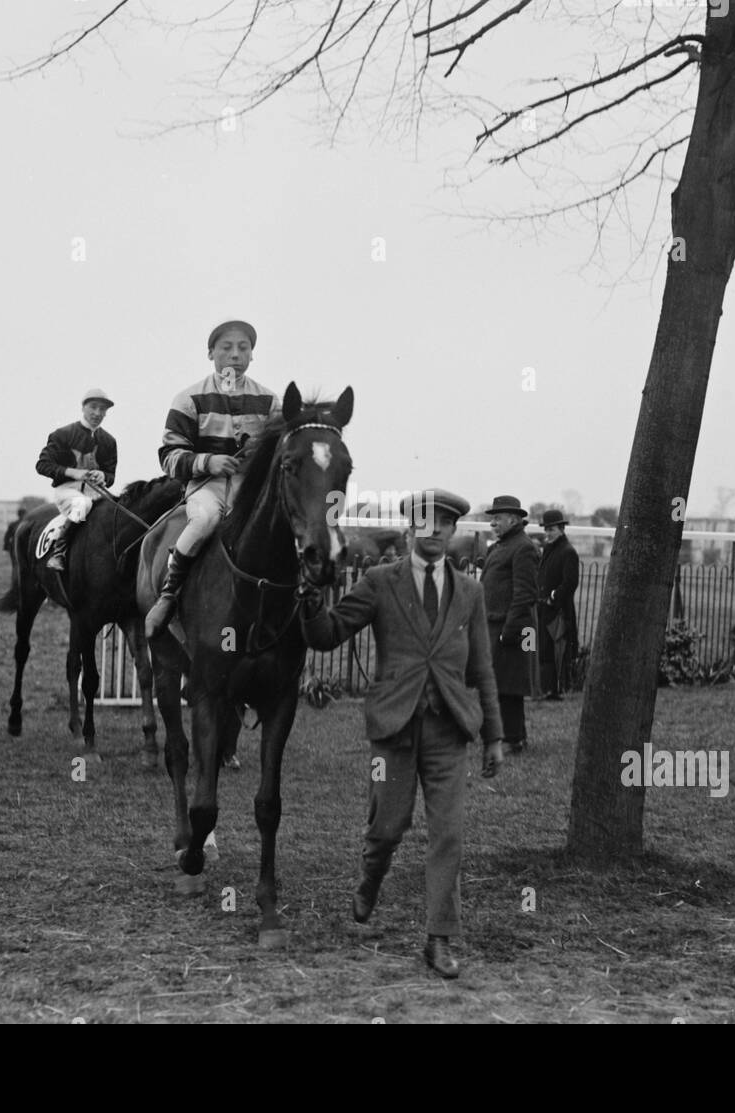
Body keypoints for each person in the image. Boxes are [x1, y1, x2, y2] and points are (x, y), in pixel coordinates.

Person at [298, 489, 504, 979]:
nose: (433, 532)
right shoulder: (379, 582)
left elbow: (483, 668)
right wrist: (308, 599)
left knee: (447, 834)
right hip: (392, 731)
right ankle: (371, 880)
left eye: (444, 524)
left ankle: (439, 939)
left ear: (454, 533)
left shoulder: (471, 594)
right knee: (387, 828)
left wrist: (494, 735)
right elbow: (327, 634)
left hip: (448, 729)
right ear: (410, 528)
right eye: (424, 522)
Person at [145, 321, 280, 638]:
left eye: (243, 348)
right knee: (204, 520)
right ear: (211, 353)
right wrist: (208, 461)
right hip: (208, 488)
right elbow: (169, 456)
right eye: (227, 348)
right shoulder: (189, 398)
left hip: (252, 491)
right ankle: (169, 594)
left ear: (252, 355)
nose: (236, 355)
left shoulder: (270, 402)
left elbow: (280, 453)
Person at [480, 495, 540, 753]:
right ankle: (514, 736)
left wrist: (509, 632)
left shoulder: (522, 547)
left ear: (513, 519)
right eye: (492, 518)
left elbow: (525, 594)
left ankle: (512, 739)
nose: (493, 523)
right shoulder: (501, 546)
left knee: (509, 686)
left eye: (497, 518)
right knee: (501, 684)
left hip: (508, 627)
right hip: (493, 624)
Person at [35, 388, 118, 572]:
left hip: (96, 493)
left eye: (102, 409)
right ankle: (59, 552)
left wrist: (103, 476)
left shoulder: (109, 441)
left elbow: (111, 476)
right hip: (68, 491)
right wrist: (73, 472)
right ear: (83, 407)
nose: (97, 413)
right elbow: (42, 465)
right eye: (93, 407)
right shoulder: (63, 434)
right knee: (83, 503)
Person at [536, 508, 579, 700]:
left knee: (557, 648)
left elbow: (570, 582)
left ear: (561, 528)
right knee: (544, 648)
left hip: (559, 610)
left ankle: (555, 689)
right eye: (546, 529)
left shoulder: (568, 551)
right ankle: (546, 688)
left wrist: (554, 595)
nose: (548, 533)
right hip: (544, 607)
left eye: (551, 529)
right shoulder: (549, 549)